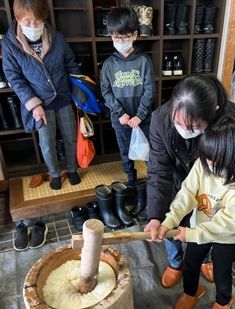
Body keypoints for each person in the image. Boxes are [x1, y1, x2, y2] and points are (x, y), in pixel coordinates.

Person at [145, 74, 235, 289]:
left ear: (213, 113)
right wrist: (155, 215)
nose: (183, 129)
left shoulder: (231, 119)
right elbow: (158, 170)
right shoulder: (160, 118)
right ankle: (175, 264)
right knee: (171, 224)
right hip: (183, 182)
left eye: (191, 126)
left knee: (213, 226)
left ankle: (207, 261)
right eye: (177, 122)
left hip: (222, 189)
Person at [158, 116, 235, 309]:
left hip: (227, 235)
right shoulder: (203, 164)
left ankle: (224, 301)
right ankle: (191, 292)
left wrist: (191, 234)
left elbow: (226, 224)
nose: (209, 164)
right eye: (207, 157)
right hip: (199, 225)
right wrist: (170, 220)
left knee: (222, 270)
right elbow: (187, 193)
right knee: (191, 263)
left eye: (216, 160)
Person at [2, 0, 82, 250]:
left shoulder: (56, 37)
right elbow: (14, 77)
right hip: (39, 104)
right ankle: (55, 174)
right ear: (18, 20)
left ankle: (72, 169)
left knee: (70, 137)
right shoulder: (10, 44)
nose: (33, 26)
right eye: (28, 22)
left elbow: (70, 64)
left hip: (64, 98)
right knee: (47, 143)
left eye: (37, 21)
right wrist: (33, 103)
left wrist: (79, 91)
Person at [100, 6, 155, 188]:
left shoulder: (144, 61)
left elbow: (149, 90)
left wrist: (140, 115)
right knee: (125, 152)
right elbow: (106, 92)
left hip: (144, 118)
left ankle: (153, 182)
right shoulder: (108, 64)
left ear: (135, 35)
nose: (120, 40)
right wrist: (119, 113)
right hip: (121, 120)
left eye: (125, 36)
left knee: (149, 152)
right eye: (116, 37)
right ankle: (131, 180)